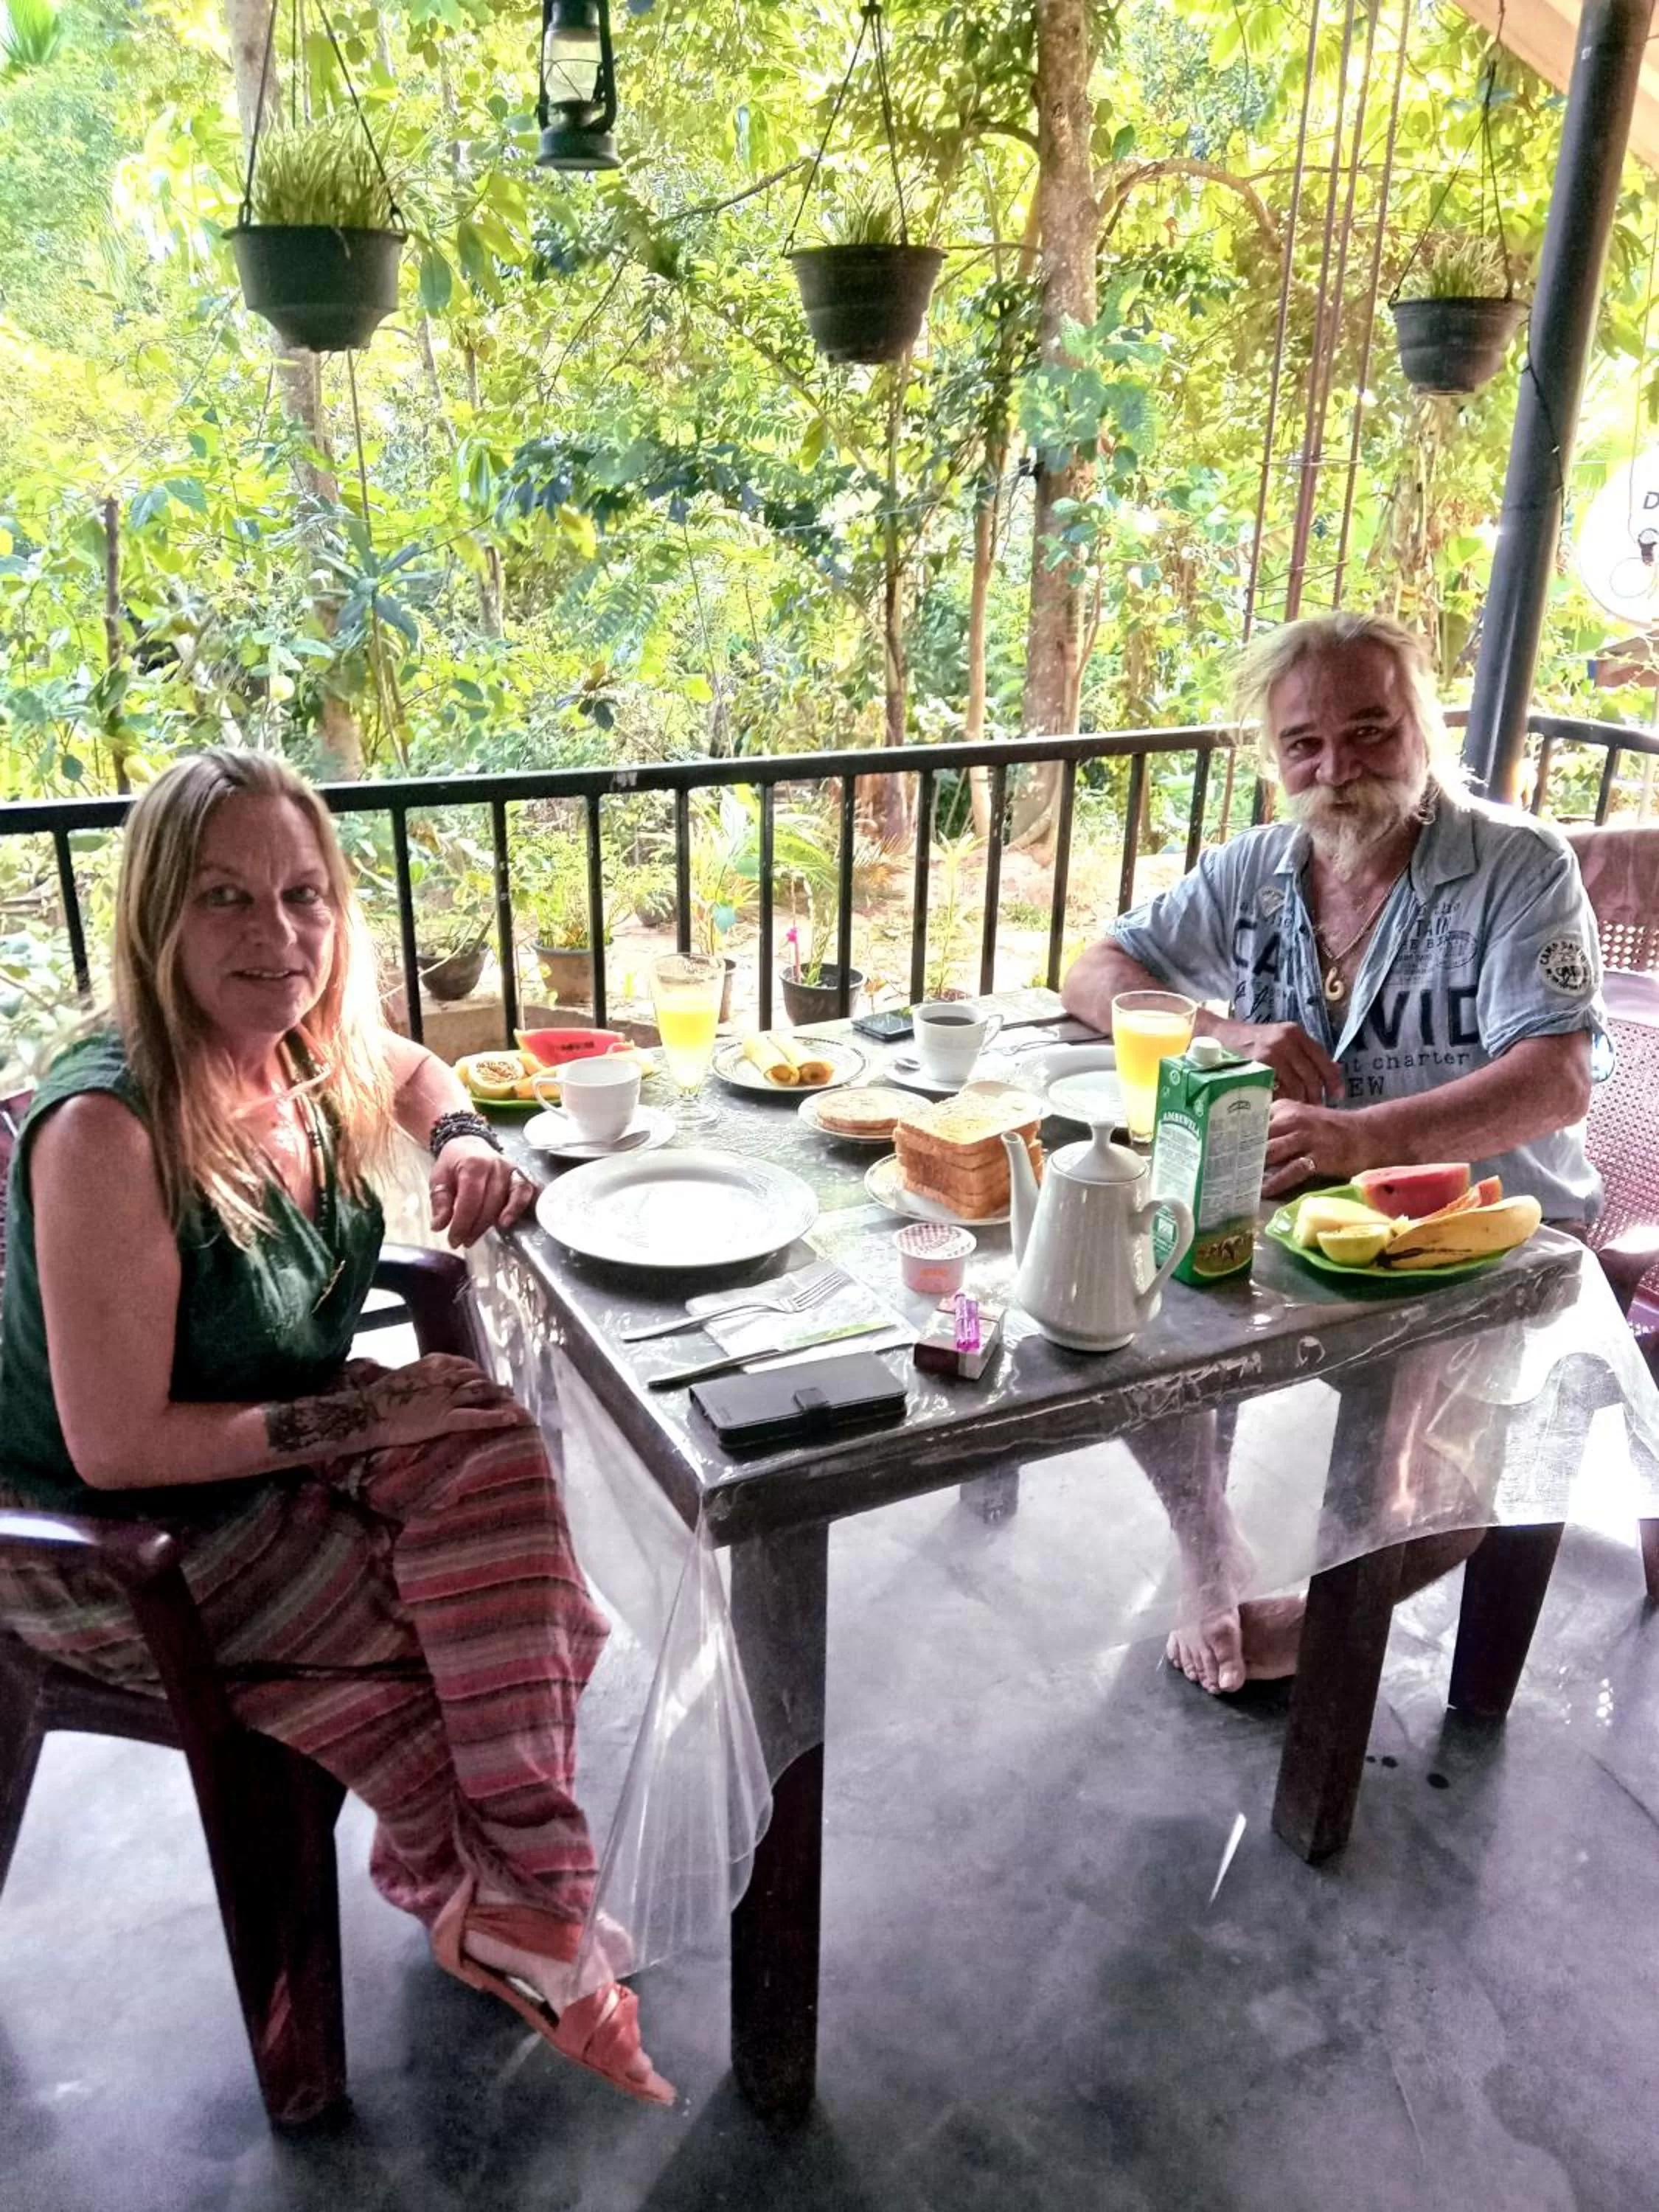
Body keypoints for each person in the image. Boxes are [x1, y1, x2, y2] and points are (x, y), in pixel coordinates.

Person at [0, 748, 673, 2105]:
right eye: (228, 900)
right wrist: (349, 1429)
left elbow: (411, 1059)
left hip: (250, 1466)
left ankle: (512, 1897)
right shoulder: (106, 1128)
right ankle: (497, 1898)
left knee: (490, 1465)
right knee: (476, 1619)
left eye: (305, 896)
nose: (280, 936)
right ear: (155, 919)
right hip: (112, 1544)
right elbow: (117, 1449)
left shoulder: (291, 1036)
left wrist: (465, 1135)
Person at [1062, 611, 1605, 1693]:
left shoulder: (1514, 865)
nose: (1335, 768)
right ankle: (1205, 1540)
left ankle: (1330, 1613)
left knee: (1421, 1451)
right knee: (1117, 1309)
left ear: (1423, 729)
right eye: (1303, 743)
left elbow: (1556, 1078)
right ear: (1271, 756)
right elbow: (1095, 974)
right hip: (1285, 1213)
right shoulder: (1260, 868)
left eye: (1369, 731)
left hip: (1488, 1228)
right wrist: (1224, 1032)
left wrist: (1364, 1138)